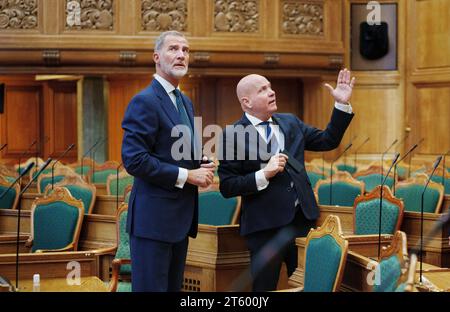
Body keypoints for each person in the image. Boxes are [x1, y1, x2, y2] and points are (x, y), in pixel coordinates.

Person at [218, 70, 355, 291]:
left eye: (270, 87)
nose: (271, 92)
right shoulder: (232, 135)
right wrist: (264, 174)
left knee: (309, 287)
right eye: (263, 90)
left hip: (303, 223)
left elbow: (327, 140)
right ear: (247, 101)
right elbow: (227, 186)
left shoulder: (290, 122)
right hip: (265, 229)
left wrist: (341, 105)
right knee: (264, 290)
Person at [121, 31, 216, 292]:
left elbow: (179, 150)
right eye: (173, 49)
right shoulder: (144, 101)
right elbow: (134, 159)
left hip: (180, 219)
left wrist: (203, 162)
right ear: (156, 57)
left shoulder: (184, 101)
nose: (181, 55)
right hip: (153, 222)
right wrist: (188, 175)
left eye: (186, 50)